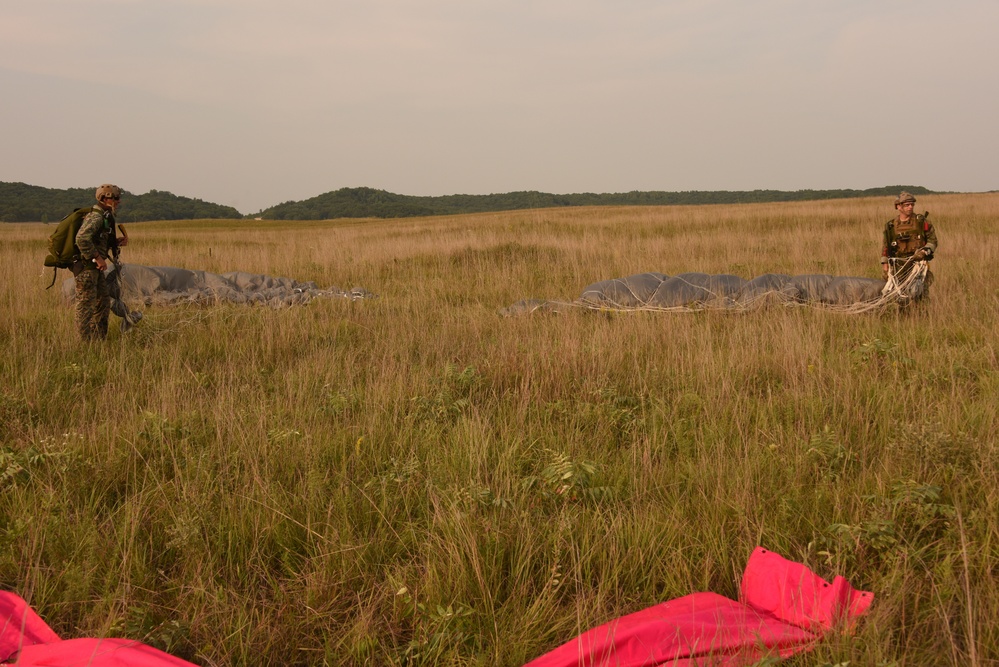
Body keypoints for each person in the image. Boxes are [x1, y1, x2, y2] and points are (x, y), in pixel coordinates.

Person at [73, 183, 137, 340]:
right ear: (104, 198)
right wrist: (97, 258)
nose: (118, 201)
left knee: (103, 302)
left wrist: (115, 242)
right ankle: (84, 344)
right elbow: (81, 239)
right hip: (87, 268)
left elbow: (97, 240)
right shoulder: (96, 217)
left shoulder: (105, 216)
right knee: (85, 306)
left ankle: (99, 340)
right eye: (115, 198)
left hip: (95, 268)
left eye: (118, 198)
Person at [880, 191, 938, 297]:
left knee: (919, 295)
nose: (910, 207)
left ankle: (921, 313)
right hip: (898, 266)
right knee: (899, 296)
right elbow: (886, 247)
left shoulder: (922, 222)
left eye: (912, 205)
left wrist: (924, 251)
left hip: (918, 265)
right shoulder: (891, 226)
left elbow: (933, 241)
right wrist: (885, 264)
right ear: (898, 206)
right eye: (907, 205)